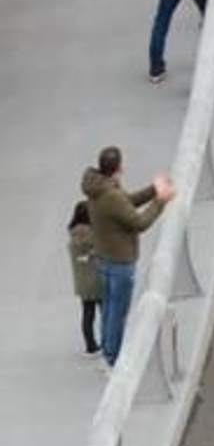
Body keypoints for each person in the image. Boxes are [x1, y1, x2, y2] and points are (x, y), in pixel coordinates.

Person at [82, 147, 174, 368]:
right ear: (118, 167)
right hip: (120, 262)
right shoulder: (111, 195)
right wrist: (161, 201)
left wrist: (153, 189)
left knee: (108, 310)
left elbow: (127, 202)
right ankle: (113, 358)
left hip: (104, 259)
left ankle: (107, 350)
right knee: (117, 312)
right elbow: (139, 223)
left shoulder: (98, 187)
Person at [67, 198, 101, 356]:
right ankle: (109, 341)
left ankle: (90, 345)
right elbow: (101, 250)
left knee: (88, 314)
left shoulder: (73, 235)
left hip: (82, 281)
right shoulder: (92, 233)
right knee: (107, 313)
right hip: (97, 279)